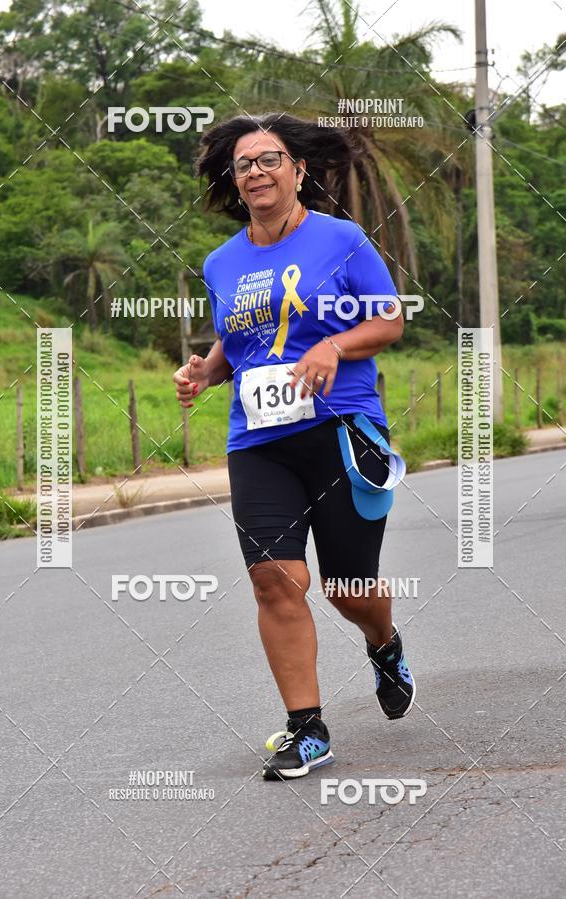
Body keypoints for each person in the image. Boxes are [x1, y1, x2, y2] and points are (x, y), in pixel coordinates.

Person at [173, 113, 415, 781]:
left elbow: (389, 316)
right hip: (259, 441)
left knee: (346, 585)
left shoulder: (341, 240)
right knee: (276, 578)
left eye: (270, 159)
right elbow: (240, 341)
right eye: (245, 163)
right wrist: (204, 369)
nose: (256, 170)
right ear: (235, 179)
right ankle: (307, 728)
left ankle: (384, 643)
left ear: (298, 170)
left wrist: (334, 345)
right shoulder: (222, 262)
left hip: (341, 431)